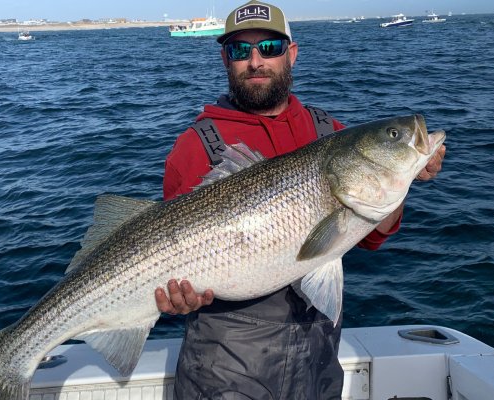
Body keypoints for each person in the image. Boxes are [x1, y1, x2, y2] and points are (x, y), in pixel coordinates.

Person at [155, 1, 446, 399]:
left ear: (291, 53)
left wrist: (403, 175)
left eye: (270, 48)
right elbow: (168, 261)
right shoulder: (195, 147)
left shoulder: (328, 131)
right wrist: (176, 298)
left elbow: (374, 235)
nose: (255, 61)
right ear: (226, 59)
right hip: (226, 371)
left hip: (319, 364)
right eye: (240, 51)